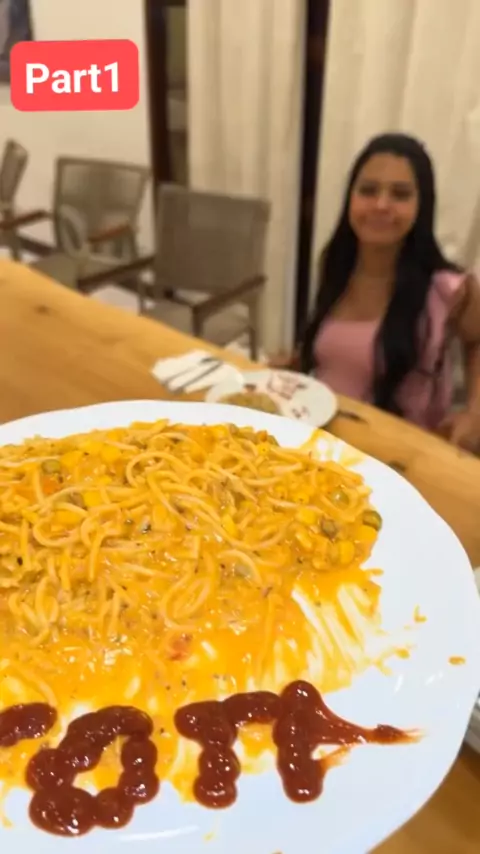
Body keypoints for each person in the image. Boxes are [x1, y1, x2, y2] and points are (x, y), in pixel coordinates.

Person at [284, 133, 480, 451]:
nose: (381, 205)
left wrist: (475, 412)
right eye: (368, 190)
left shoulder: (448, 289)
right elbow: (342, 356)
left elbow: (476, 342)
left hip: (402, 456)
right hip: (321, 440)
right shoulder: (335, 263)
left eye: (400, 194)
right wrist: (296, 362)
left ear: (422, 205)